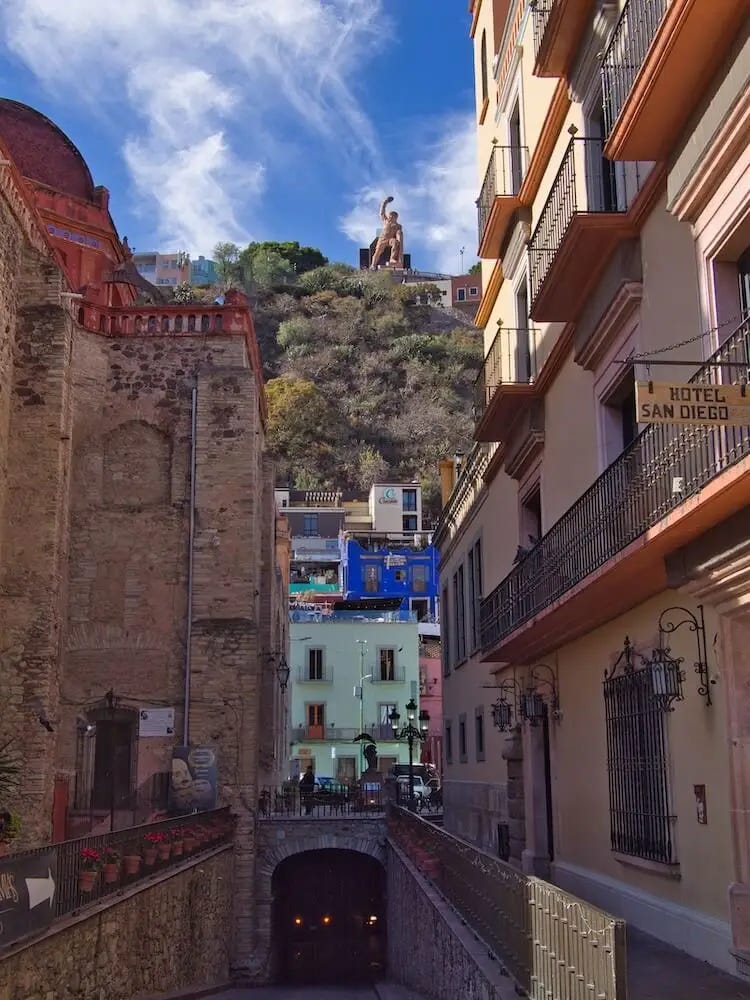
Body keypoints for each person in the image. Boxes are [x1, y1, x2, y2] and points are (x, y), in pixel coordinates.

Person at [370, 196, 404, 269]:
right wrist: (385, 202)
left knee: (395, 242)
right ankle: (373, 265)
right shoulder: (386, 221)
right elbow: (382, 212)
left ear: (396, 217)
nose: (390, 217)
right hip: (382, 239)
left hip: (390, 239)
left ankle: (392, 258)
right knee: (378, 252)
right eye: (390, 216)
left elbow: (399, 234)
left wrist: (399, 239)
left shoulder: (398, 226)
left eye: (392, 216)